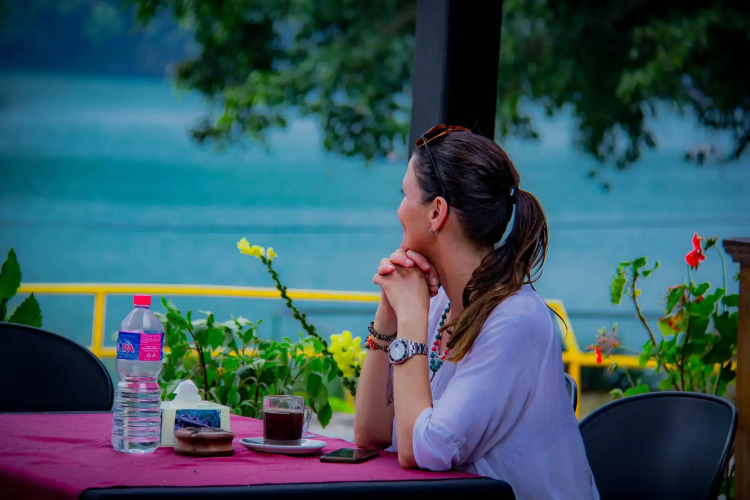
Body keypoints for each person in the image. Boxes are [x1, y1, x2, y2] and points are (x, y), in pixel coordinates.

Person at [353, 125, 599, 499]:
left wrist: (412, 320)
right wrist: (389, 312)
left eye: (404, 195)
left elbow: (425, 451)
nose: (399, 210)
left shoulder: (516, 319)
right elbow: (370, 434)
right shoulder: (440, 303)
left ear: (437, 212)